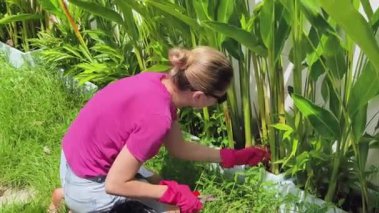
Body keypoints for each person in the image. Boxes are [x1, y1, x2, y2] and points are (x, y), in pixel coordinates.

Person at [49, 46, 269, 213]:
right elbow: (115, 184)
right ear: (199, 97)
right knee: (173, 210)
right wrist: (172, 194)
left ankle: (68, 194)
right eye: (220, 99)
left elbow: (178, 148)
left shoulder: (159, 82)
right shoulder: (158, 117)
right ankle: (75, 199)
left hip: (72, 162)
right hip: (93, 184)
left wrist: (230, 156)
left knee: (155, 179)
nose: (220, 103)